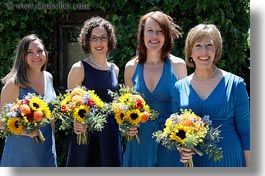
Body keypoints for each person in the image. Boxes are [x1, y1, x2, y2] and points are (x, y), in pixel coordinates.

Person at [174, 24, 250, 167]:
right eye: (198, 45)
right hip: (192, 162)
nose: (204, 51)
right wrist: (181, 148)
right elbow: (175, 131)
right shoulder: (179, 88)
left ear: (216, 50)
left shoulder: (235, 85)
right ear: (190, 51)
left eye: (209, 45)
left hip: (228, 159)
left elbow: (247, 133)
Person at [123, 10, 187, 167]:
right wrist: (126, 126)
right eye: (150, 31)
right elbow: (127, 108)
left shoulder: (178, 66)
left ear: (166, 36)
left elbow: (184, 109)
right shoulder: (131, 67)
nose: (154, 36)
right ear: (142, 35)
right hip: (139, 143)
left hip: (170, 142)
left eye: (160, 31)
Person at [66, 16, 123, 167]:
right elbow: (69, 106)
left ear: (109, 40)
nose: (99, 43)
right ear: (87, 41)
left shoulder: (115, 69)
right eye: (94, 38)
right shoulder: (79, 68)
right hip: (86, 135)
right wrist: (76, 122)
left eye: (103, 38)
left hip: (110, 135)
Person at [0, 34, 57, 167]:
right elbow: (1, 122)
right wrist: (26, 131)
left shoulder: (49, 77)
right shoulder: (14, 84)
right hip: (21, 155)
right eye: (30, 52)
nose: (37, 56)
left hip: (46, 151)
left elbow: (51, 116)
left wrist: (52, 143)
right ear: (22, 56)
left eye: (40, 51)